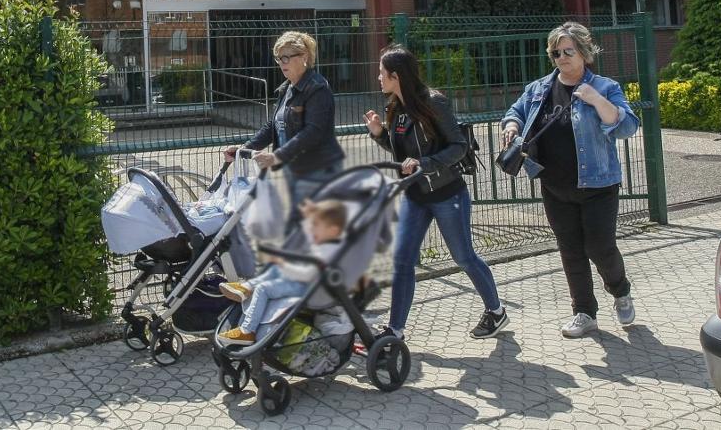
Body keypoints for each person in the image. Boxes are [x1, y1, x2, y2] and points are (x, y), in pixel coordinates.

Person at [501, 22, 640, 339]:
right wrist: (511, 125)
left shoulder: (604, 87)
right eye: (555, 52)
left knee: (600, 247)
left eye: (568, 51)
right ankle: (584, 312)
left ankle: (620, 290)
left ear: (584, 52)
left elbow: (627, 126)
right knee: (571, 250)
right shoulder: (539, 88)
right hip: (554, 184)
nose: (561, 57)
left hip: (598, 185)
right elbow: (516, 111)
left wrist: (596, 100)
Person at [364, 45, 509, 341]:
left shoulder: (434, 102)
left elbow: (458, 146)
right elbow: (403, 155)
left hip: (447, 193)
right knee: (402, 260)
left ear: (395, 76)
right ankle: (395, 330)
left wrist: (425, 164)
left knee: (464, 257)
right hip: (415, 196)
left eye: (382, 73)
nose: (378, 77)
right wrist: (380, 134)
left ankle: (496, 311)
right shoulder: (396, 108)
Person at [222, 31, 345, 226]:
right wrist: (243, 150)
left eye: (287, 57)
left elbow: (313, 132)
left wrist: (276, 157)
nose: (281, 63)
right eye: (279, 58)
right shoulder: (286, 89)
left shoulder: (317, 88)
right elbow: (273, 125)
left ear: (304, 57)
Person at [216, 199, 348, 346]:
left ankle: (247, 330)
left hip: (310, 288)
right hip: (303, 281)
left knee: (263, 288)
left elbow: (309, 274)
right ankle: (246, 288)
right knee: (275, 268)